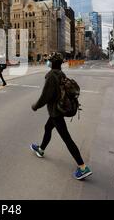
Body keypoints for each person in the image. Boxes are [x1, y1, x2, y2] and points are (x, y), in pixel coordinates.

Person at [30, 52, 92, 180]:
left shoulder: (52, 76)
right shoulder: (61, 74)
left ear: (52, 63)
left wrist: (35, 106)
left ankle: (82, 166)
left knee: (66, 138)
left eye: (49, 60)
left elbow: (45, 96)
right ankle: (41, 149)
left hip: (56, 111)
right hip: (58, 109)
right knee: (48, 128)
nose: (47, 62)